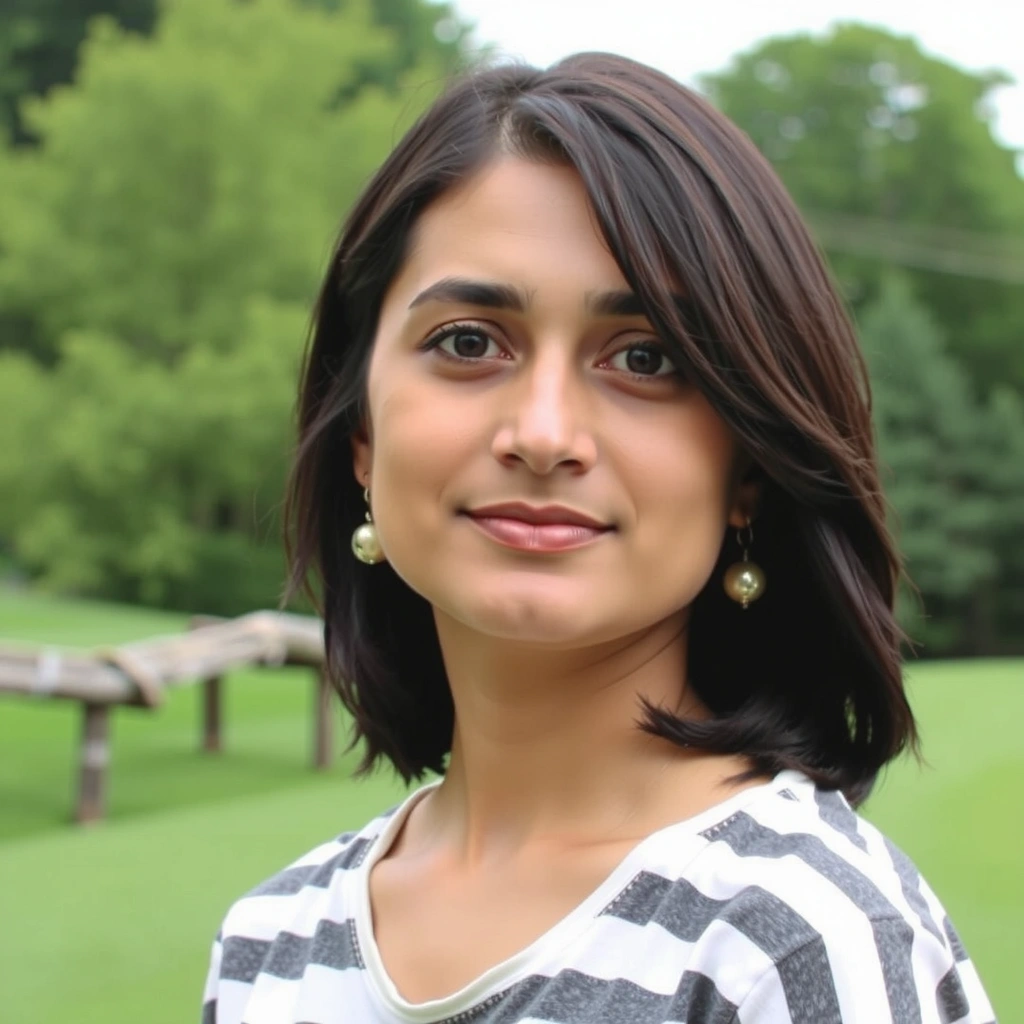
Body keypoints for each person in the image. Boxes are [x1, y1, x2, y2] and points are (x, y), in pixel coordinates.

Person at [201, 53, 996, 1024]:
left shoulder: (794, 941)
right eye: (467, 341)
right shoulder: (268, 944)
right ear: (360, 433)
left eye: (644, 358)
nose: (541, 433)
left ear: (746, 469)